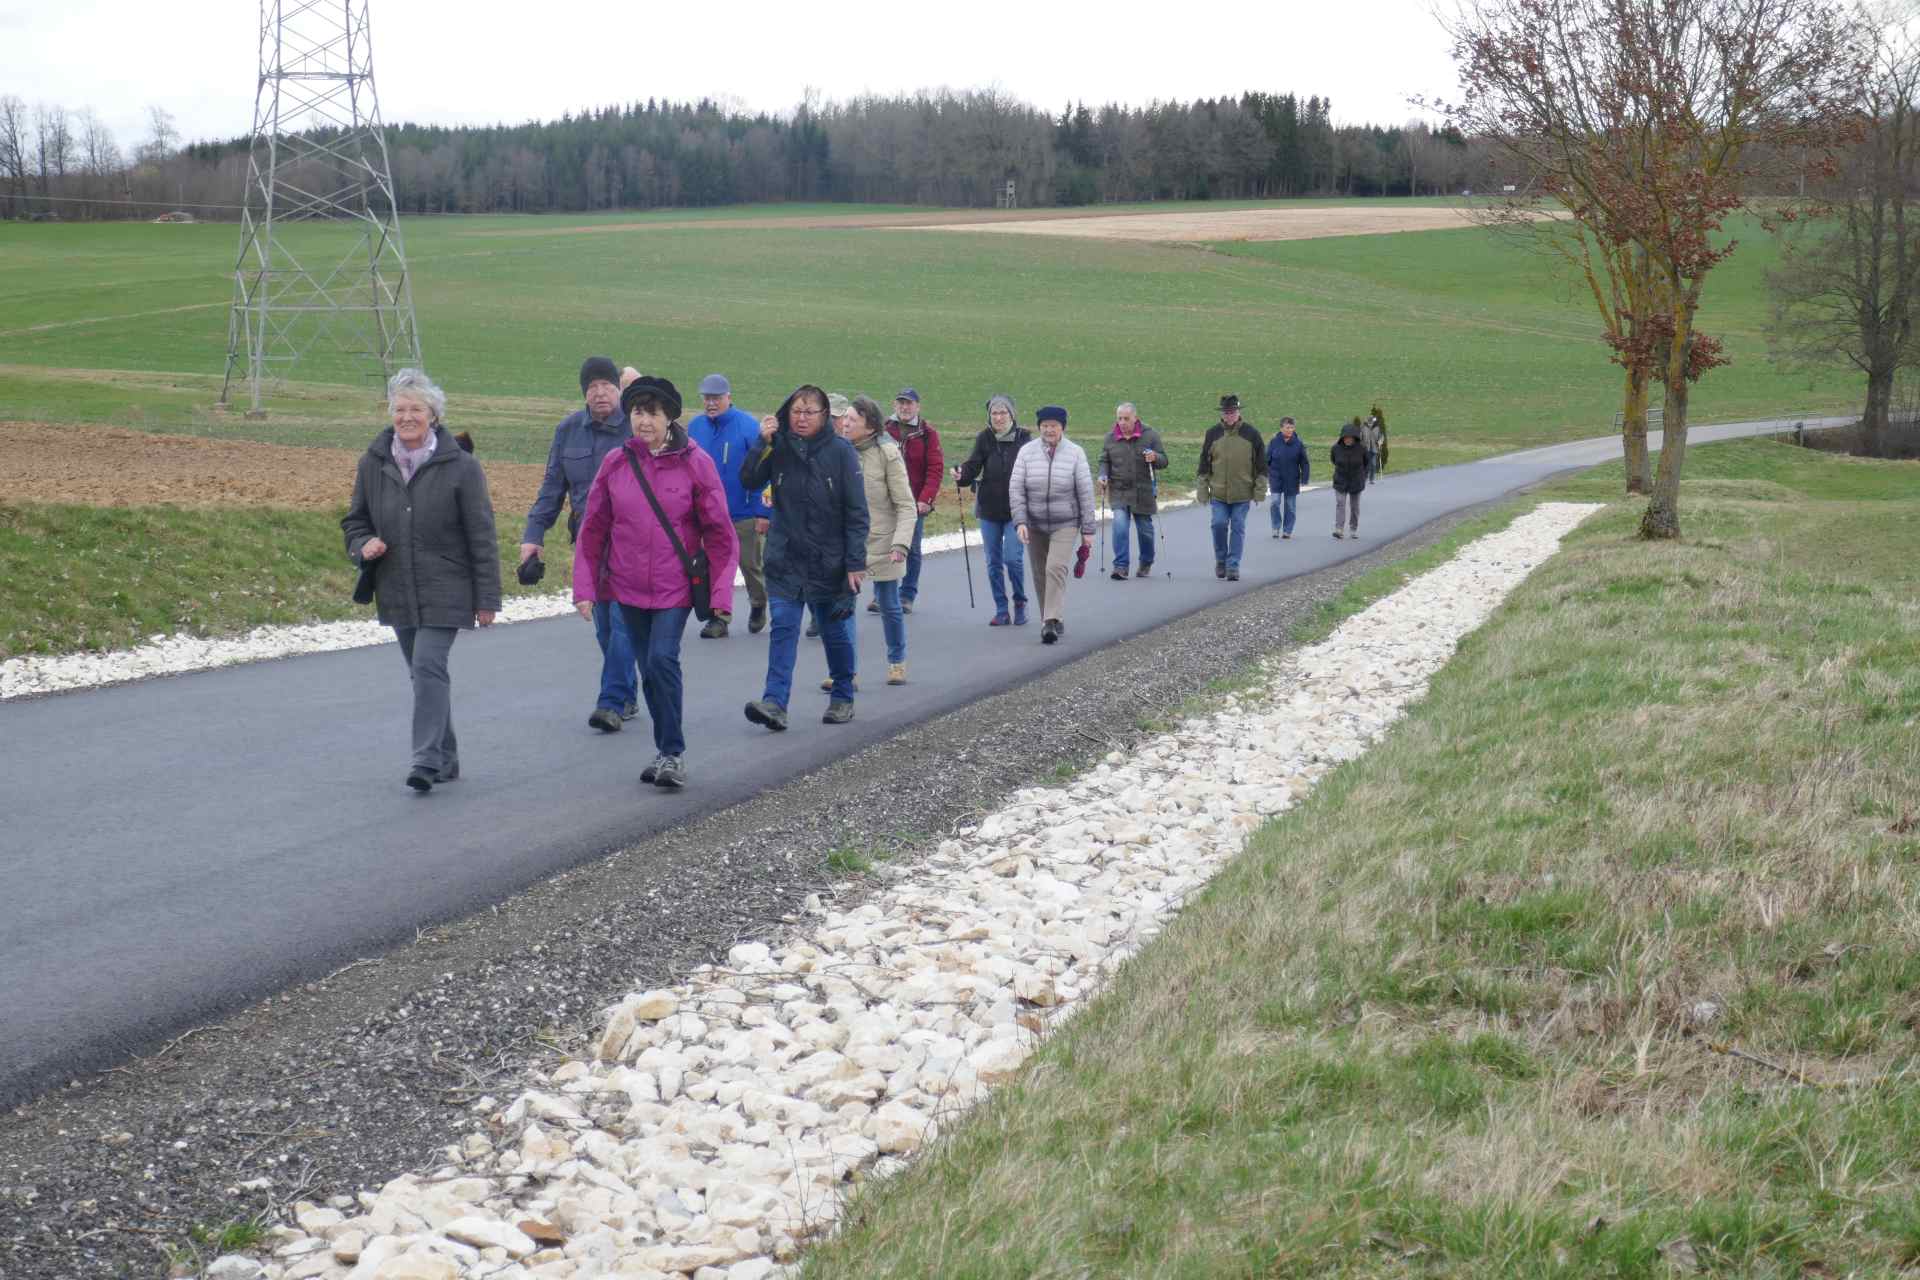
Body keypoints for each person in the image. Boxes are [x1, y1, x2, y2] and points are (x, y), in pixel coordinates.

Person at [570, 375, 738, 789]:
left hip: (674, 587)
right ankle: (665, 750)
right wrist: (585, 588)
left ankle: (672, 753)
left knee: (662, 660)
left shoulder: (696, 463)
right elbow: (593, 530)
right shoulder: (616, 463)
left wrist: (721, 595)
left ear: (669, 419)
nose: (643, 421)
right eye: (637, 412)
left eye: (652, 413)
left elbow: (720, 533)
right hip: (626, 587)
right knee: (648, 669)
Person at [342, 369, 502, 793]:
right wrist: (363, 544)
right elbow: (355, 521)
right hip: (395, 584)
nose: (407, 416)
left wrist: (487, 598)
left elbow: (481, 535)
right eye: (400, 409)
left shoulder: (462, 467)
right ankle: (446, 758)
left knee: (428, 664)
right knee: (422, 672)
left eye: (416, 409)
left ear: (433, 415)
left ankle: (425, 759)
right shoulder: (373, 463)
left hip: (448, 585)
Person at [740, 385, 869, 731]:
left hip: (829, 562)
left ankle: (842, 696)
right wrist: (761, 443)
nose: (801, 418)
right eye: (796, 411)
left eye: (809, 412)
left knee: (833, 632)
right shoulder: (778, 447)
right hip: (786, 559)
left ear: (825, 415)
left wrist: (855, 563)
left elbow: (857, 512)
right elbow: (748, 480)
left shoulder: (841, 452)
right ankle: (774, 702)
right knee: (783, 628)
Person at [519, 356, 638, 734]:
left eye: (606, 386)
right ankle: (627, 692)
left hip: (634, 544)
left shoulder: (638, 428)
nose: (600, 393)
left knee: (622, 623)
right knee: (605, 629)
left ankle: (611, 702)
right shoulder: (568, 430)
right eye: (592, 387)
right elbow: (552, 488)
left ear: (618, 389)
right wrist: (533, 537)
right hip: (590, 545)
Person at [685, 372, 771, 638]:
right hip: (708, 515)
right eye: (706, 398)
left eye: (716, 398)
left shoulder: (748, 426)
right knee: (715, 567)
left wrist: (763, 511)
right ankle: (719, 618)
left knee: (750, 566)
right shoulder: (695, 427)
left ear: (728, 398)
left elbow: (766, 471)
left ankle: (758, 603)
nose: (711, 403)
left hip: (743, 512)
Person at [840, 395, 916, 685]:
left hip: (883, 541)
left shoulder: (888, 453)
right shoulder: (837, 451)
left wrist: (900, 544)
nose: (845, 424)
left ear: (870, 427)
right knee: (843, 606)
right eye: (845, 418)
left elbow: (905, 505)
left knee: (888, 604)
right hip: (847, 542)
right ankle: (846, 671)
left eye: (852, 420)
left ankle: (897, 661)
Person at [1009, 405, 1095, 645]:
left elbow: (1085, 492)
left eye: (1054, 426)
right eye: (1044, 425)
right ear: (1039, 427)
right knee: (1039, 572)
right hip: (1034, 523)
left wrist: (1088, 529)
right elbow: (1016, 489)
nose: (1049, 430)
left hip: (1065, 522)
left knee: (1055, 568)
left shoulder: (1075, 453)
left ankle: (1049, 621)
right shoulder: (1026, 452)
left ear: (1062, 428)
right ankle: (1052, 617)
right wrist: (1020, 521)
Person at [954, 394, 1033, 626]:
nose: (998, 417)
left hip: (1016, 511)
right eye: (994, 413)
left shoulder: (1024, 439)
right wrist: (961, 475)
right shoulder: (985, 438)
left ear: (1012, 414)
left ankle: (1020, 602)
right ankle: (1001, 609)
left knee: (1013, 558)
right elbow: (973, 466)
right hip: (989, 509)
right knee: (993, 562)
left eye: (1003, 412)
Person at [882, 388, 944, 614]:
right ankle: (884, 595)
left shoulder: (928, 434)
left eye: (909, 403)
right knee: (884, 545)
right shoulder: (883, 429)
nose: (904, 407)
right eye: (901, 403)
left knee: (911, 548)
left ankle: (906, 595)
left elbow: (935, 469)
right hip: (886, 500)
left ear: (917, 407)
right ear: (894, 405)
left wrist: (926, 499)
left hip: (914, 501)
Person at [1195, 393, 1266, 581]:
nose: (1229, 415)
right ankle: (1221, 560)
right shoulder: (1213, 434)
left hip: (1242, 493)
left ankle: (1233, 565)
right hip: (1218, 493)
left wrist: (1259, 491)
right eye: (1226, 412)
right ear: (1222, 414)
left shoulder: (1252, 434)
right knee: (1218, 524)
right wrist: (1202, 490)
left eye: (1233, 412)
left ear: (1238, 412)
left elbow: (1261, 465)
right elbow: (1204, 464)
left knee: (1238, 526)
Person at [1097, 402, 1167, 579]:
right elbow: (1104, 460)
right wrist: (1103, 475)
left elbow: (1164, 461)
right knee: (1120, 526)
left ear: (1135, 418)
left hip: (1143, 492)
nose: (1122, 422)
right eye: (1119, 418)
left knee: (1145, 531)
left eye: (1126, 419)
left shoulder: (1150, 435)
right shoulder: (1110, 438)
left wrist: (1155, 457)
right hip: (1119, 491)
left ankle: (1146, 562)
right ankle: (1120, 567)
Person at [1265, 416, 1310, 540]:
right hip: (1276, 477)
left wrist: (1305, 478)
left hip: (1292, 478)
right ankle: (1276, 527)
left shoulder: (1298, 443)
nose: (1289, 430)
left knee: (1290, 506)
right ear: (1281, 428)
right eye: (1287, 427)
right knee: (1274, 502)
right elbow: (1266, 459)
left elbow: (1304, 462)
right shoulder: (1274, 442)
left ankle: (1287, 530)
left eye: (1291, 427)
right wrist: (1265, 473)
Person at [1331, 422, 1370, 539]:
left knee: (1354, 507)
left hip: (1356, 481)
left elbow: (1367, 463)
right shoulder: (1336, 448)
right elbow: (1333, 460)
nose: (1348, 439)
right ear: (1342, 437)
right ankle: (1339, 529)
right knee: (1340, 503)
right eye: (1345, 437)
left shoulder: (1362, 449)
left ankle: (1353, 528)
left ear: (1355, 438)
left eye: (1350, 438)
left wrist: (1364, 476)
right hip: (1340, 480)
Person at [1361, 414, 1382, 484]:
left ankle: (1371, 479)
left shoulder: (1377, 428)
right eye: (1371, 420)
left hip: (1374, 449)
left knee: (1373, 464)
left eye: (1373, 421)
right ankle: (1364, 478)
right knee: (1367, 464)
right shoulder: (1363, 428)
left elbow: (1380, 437)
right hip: (1366, 449)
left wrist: (1380, 441)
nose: (1372, 422)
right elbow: (1360, 438)